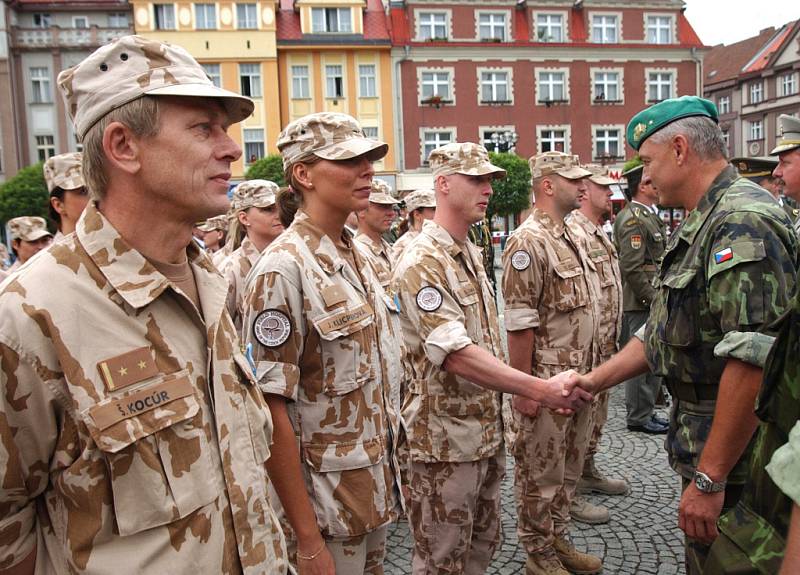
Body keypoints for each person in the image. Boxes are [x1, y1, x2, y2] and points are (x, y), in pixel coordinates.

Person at [0, 35, 289, 573]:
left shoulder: (207, 282)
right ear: (123, 146)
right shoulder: (30, 315)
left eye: (224, 130)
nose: (231, 148)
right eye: (203, 128)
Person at [566, 96, 798, 574]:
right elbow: (663, 328)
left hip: (738, 460)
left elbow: (753, 358)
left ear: (678, 149)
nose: (643, 178)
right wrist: (593, 382)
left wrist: (710, 480)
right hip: (709, 442)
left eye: (647, 162)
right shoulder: (706, 218)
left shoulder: (741, 221)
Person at [392, 142, 592, 575]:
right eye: (476, 179)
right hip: (443, 444)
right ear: (443, 184)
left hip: (481, 433)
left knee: (480, 548)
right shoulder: (421, 261)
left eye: (490, 181)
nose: (487, 189)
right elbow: (456, 355)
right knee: (441, 559)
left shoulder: (466, 253)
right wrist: (538, 387)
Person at [240, 112, 404, 574]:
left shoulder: (358, 254)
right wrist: (307, 539)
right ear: (303, 174)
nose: (367, 170)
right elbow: (270, 410)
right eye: (349, 160)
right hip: (324, 507)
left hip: (369, 486)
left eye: (368, 158)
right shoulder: (282, 269)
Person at [702, 113, 800, 574]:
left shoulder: (744, 220)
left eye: (787, 159)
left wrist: (709, 476)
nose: (777, 172)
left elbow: (755, 346)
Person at [502, 151, 602, 575]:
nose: (582, 185)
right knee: (540, 474)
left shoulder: (569, 234)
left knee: (567, 468)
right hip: (545, 385)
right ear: (547, 184)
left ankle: (557, 537)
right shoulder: (527, 240)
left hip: (577, 380)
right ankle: (537, 553)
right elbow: (520, 322)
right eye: (572, 178)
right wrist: (525, 390)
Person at [567, 164, 629, 520]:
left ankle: (587, 470)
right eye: (603, 188)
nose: (610, 193)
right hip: (583, 348)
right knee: (576, 425)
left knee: (596, 418)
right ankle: (569, 490)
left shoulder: (598, 231)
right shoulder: (575, 232)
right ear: (584, 191)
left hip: (604, 345)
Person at [613, 163, 670, 435]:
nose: (658, 184)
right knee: (639, 362)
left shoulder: (647, 215)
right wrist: (652, 299)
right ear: (643, 186)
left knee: (651, 360)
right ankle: (638, 416)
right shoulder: (633, 219)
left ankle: (647, 411)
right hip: (639, 303)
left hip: (649, 298)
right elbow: (633, 268)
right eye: (651, 181)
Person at [220, 179, 283, 331]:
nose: (279, 214)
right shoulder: (230, 270)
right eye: (268, 209)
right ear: (244, 218)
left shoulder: (292, 258)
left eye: (280, 208)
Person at [354, 178, 400, 290]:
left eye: (391, 207)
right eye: (382, 207)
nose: (391, 213)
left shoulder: (388, 249)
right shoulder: (357, 253)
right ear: (361, 210)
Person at [44, 152, 90, 238]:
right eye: (84, 192)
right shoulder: (55, 251)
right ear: (58, 205)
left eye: (97, 190)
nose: (96, 198)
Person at [391, 187, 436, 259]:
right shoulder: (402, 246)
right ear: (417, 215)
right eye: (433, 209)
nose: (438, 213)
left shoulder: (436, 239)